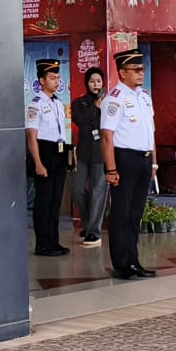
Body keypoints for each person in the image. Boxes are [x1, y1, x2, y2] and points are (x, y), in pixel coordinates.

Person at [100, 49, 157, 280]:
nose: (141, 73)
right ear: (122, 73)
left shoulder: (144, 96)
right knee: (121, 214)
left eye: (142, 69)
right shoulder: (114, 98)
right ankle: (121, 264)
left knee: (135, 214)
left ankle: (134, 261)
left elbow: (151, 131)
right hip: (124, 159)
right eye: (136, 70)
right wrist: (111, 169)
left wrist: (153, 163)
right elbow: (107, 136)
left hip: (144, 159)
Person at [26, 58, 69, 256]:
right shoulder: (35, 105)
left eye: (58, 78)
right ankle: (42, 243)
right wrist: (38, 163)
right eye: (52, 78)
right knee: (44, 201)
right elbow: (31, 137)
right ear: (42, 81)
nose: (56, 81)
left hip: (59, 153)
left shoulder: (58, 103)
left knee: (55, 201)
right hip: (44, 153)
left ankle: (53, 240)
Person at [70, 68, 108, 248]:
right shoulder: (79, 103)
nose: (96, 85)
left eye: (99, 81)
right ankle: (88, 223)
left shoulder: (109, 103)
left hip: (102, 154)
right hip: (84, 153)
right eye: (92, 81)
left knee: (98, 191)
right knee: (77, 189)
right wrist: (95, 107)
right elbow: (82, 122)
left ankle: (94, 232)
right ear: (87, 83)